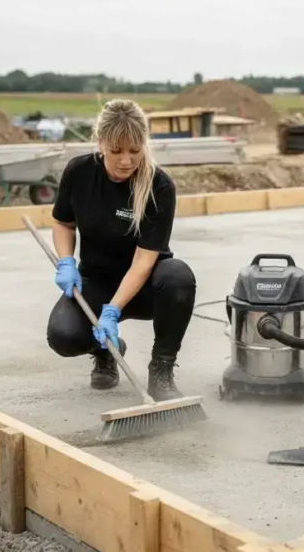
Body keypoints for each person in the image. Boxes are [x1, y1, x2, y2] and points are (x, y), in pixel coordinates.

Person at [45, 99, 198, 401]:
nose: (127, 160)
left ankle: (161, 372)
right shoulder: (79, 172)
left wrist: (112, 311)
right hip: (96, 281)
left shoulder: (159, 187)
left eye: (135, 150)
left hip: (145, 289)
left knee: (179, 277)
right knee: (63, 337)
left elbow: (143, 262)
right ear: (101, 143)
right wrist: (66, 261)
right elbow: (63, 223)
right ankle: (106, 352)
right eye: (117, 151)